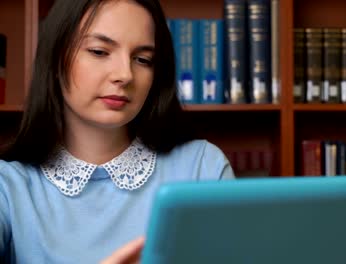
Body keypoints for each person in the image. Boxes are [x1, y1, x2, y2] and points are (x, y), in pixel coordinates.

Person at [0, 0, 235, 263]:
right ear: (56, 59)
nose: (125, 75)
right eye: (100, 51)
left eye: (143, 59)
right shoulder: (7, 186)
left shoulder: (202, 168)